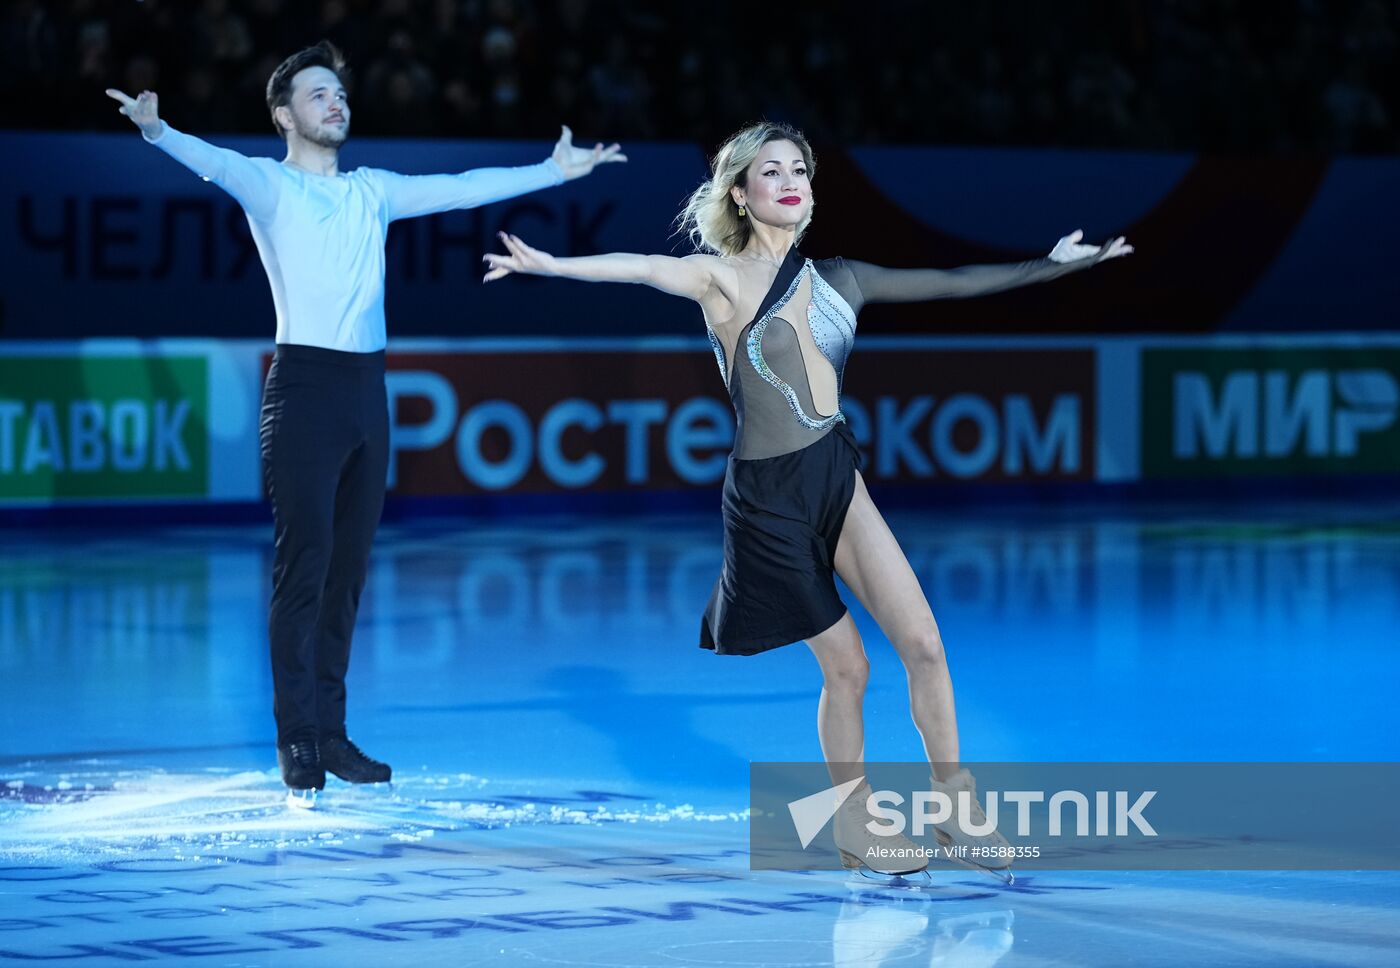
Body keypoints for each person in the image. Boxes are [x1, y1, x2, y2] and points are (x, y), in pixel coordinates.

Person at [482, 121, 1130, 879]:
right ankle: (855, 823)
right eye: (771, 171)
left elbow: (952, 283)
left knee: (924, 644)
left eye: (799, 169)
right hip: (768, 504)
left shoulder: (842, 277)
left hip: (835, 475)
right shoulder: (721, 279)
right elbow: (645, 268)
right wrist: (554, 264)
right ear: (741, 192)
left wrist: (1050, 266)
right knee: (848, 668)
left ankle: (955, 808)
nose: (790, 180)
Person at [105, 41, 625, 803]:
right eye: (318, 95)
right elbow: (210, 160)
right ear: (285, 115)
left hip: (365, 392)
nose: (335, 103)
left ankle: (333, 732)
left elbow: (458, 188)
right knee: (305, 566)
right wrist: (157, 130)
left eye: (339, 94)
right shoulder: (272, 186)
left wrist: (553, 171)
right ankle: (297, 736)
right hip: (304, 392)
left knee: (346, 577)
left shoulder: (371, 190)